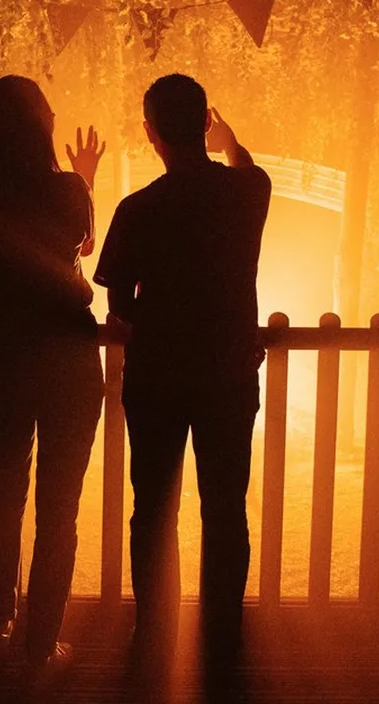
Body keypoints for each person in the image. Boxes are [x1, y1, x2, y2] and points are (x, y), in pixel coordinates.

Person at [94, 75, 271, 700]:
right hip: (226, 373)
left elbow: (117, 297)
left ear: (152, 134)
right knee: (225, 506)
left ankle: (155, 631)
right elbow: (249, 170)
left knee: (154, 507)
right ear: (204, 125)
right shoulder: (248, 191)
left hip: (159, 376)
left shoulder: (139, 209)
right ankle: (224, 635)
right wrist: (232, 143)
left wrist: (142, 318)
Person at [0, 76, 105, 687]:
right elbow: (80, 245)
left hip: (7, 351)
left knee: (5, 490)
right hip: (69, 354)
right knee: (61, 506)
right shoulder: (67, 191)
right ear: (42, 130)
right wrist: (83, 179)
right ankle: (42, 645)